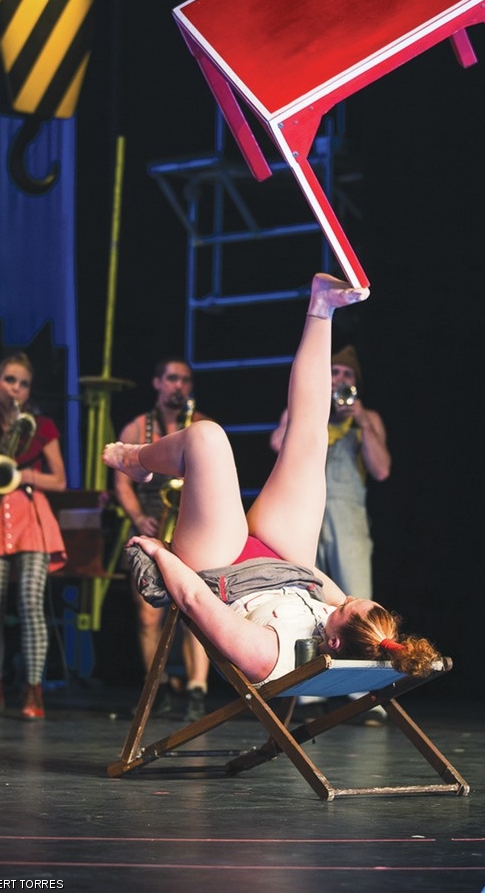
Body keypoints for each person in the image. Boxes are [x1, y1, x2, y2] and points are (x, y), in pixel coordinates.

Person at [103, 275, 439, 688]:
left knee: (207, 437)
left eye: (347, 606)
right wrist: (316, 582)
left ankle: (136, 458)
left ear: (332, 642)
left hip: (221, 567)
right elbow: (319, 583)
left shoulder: (270, 655)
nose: (346, 599)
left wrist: (161, 554)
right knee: (310, 437)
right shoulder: (350, 628)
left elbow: (194, 600)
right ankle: (323, 307)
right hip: (285, 562)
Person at [0, 352, 67, 719]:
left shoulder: (40, 426)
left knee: (30, 605)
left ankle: (33, 691)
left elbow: (59, 479)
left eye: (23, 383)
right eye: (10, 380)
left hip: (31, 519)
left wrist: (20, 475)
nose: (16, 388)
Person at [113, 357, 210, 721]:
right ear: (157, 383)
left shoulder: (200, 425)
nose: (178, 386)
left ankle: (197, 690)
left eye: (184, 380)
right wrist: (139, 517)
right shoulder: (139, 426)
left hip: (191, 526)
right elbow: (121, 478)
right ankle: (159, 686)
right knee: (148, 615)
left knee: (197, 611)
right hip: (152, 523)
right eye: (171, 379)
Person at [270, 343, 391, 602]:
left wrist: (363, 422)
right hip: (304, 515)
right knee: (306, 595)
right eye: (334, 372)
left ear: (356, 382)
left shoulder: (369, 419)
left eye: (347, 374)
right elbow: (277, 444)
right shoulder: (306, 414)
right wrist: (314, 411)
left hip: (347, 519)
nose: (340, 379)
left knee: (355, 597)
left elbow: (381, 470)